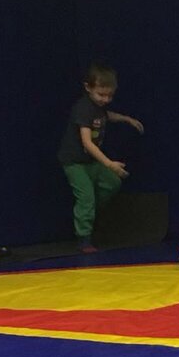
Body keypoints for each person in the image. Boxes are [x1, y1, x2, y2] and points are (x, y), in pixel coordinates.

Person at [57, 62, 144, 253]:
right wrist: (109, 164)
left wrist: (126, 119)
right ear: (88, 88)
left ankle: (90, 212)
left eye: (110, 95)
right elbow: (87, 143)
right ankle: (84, 238)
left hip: (91, 162)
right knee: (86, 197)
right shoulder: (83, 108)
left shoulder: (98, 107)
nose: (105, 99)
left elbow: (106, 115)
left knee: (112, 183)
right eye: (101, 94)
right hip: (75, 162)